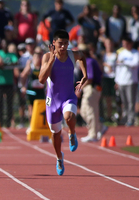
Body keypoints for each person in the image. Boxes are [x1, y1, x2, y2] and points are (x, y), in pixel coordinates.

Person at [38, 29, 88, 175]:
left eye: (66, 43)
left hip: (68, 97)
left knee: (69, 117)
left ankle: (72, 133)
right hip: (52, 102)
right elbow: (41, 79)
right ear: (53, 43)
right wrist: (52, 61)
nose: (63, 47)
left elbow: (82, 56)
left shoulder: (72, 55)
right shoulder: (47, 57)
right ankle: (59, 157)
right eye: (60, 43)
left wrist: (85, 75)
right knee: (55, 133)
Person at [77, 43, 104, 142]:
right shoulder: (89, 61)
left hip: (92, 88)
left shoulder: (88, 62)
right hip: (90, 88)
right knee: (85, 111)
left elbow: (90, 78)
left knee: (90, 111)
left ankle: (93, 134)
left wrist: (79, 88)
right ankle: (99, 127)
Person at [115, 37, 139, 126]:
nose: (124, 45)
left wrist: (125, 62)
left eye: (125, 43)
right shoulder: (121, 53)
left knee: (131, 102)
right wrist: (116, 80)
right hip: (122, 81)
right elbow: (118, 68)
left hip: (131, 81)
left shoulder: (135, 53)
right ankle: (125, 118)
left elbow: (135, 64)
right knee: (124, 102)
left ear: (130, 44)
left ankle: (131, 119)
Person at [0, 43, 19, 128]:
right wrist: (0, 65)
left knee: (9, 103)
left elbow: (15, 62)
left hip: (9, 82)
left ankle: (8, 123)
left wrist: (5, 65)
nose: (4, 46)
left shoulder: (11, 55)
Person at [19, 46, 45, 121]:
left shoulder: (43, 65)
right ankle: (31, 124)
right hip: (32, 90)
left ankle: (38, 124)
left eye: (39, 55)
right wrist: (23, 87)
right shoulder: (30, 65)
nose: (38, 57)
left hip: (41, 90)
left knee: (41, 108)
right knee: (31, 108)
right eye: (36, 55)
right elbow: (23, 75)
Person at [101, 39, 117, 123]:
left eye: (110, 43)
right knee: (107, 98)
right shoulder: (103, 55)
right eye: (107, 43)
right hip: (106, 77)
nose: (109, 45)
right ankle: (108, 115)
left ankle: (117, 115)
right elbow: (100, 62)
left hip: (113, 77)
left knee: (115, 97)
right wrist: (106, 65)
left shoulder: (115, 54)